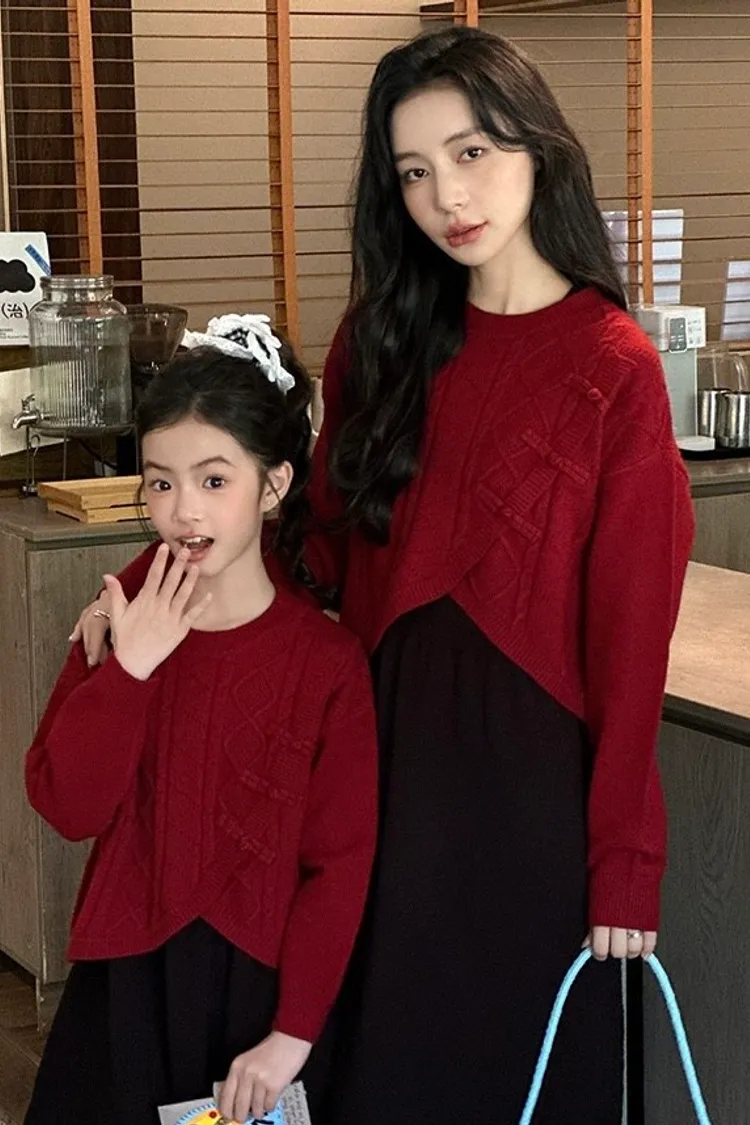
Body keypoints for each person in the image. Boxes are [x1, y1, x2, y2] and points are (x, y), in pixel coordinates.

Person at [71, 26, 695, 1125]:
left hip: (525, 797)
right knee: (369, 1067)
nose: (446, 195)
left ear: (537, 146)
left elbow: (631, 639)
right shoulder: (383, 337)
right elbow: (300, 531)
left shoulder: (616, 369)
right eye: (412, 171)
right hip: (373, 758)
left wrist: (625, 861)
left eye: (470, 153)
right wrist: (140, 583)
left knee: (517, 1076)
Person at [25, 318, 378, 1125]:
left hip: (259, 1002)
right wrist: (130, 671)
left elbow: (340, 867)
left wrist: (292, 1033)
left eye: (214, 480)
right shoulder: (119, 622)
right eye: (160, 482)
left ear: (275, 484)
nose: (184, 510)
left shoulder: (329, 665)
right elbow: (67, 805)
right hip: (124, 984)